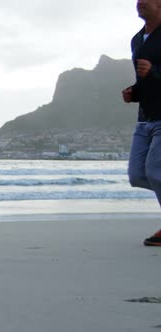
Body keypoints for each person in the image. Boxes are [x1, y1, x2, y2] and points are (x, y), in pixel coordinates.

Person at [123, 0, 161, 246]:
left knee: (155, 171)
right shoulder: (137, 40)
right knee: (137, 174)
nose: (141, 2)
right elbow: (145, 80)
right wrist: (134, 92)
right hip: (145, 117)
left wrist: (156, 70)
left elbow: (154, 73)